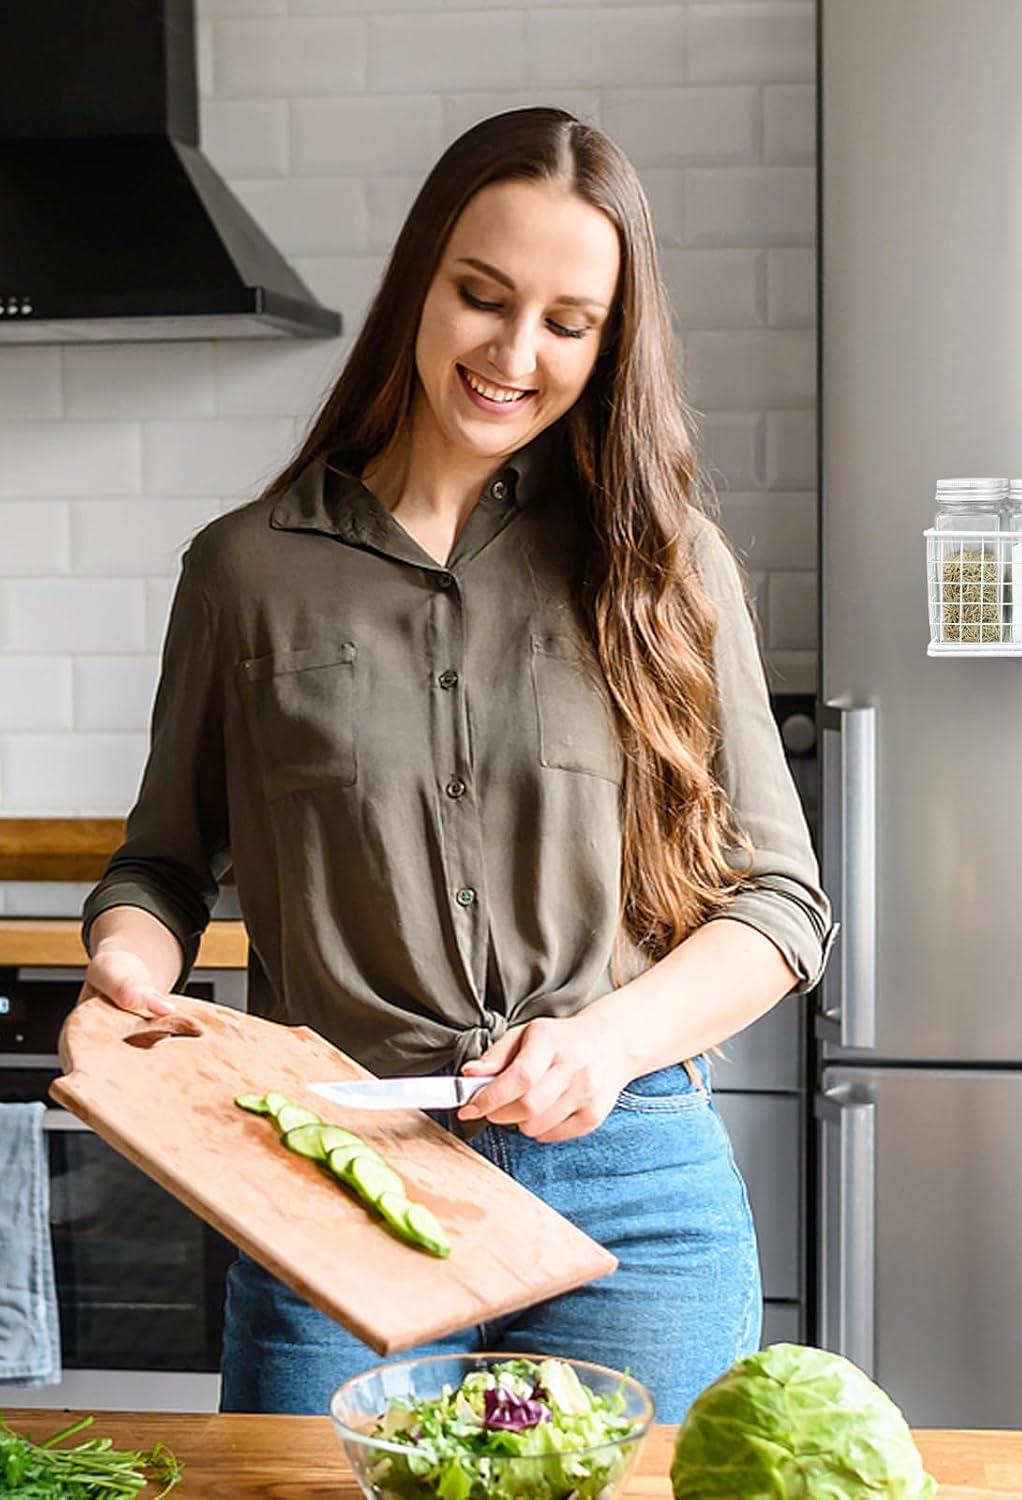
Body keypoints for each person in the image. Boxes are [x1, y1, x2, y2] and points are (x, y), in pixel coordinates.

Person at [78, 107, 834, 1423]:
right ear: (419, 284)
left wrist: (602, 1046)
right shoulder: (245, 571)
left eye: (567, 322)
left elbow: (780, 907)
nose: (513, 354)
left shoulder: (664, 566)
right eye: (483, 297)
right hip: (335, 1176)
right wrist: (128, 967)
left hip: (632, 1189)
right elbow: (162, 866)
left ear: (610, 343)